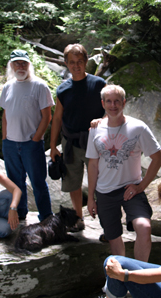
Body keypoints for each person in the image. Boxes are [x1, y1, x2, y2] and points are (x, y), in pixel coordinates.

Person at [86, 84, 161, 262]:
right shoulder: (95, 129)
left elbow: (158, 158)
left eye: (117, 101)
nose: (113, 105)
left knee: (144, 227)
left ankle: (139, 275)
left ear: (124, 102)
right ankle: (122, 277)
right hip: (105, 191)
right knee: (113, 237)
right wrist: (91, 197)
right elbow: (92, 164)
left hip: (131, 188)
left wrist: (141, 186)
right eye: (109, 101)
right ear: (103, 103)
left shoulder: (138, 128)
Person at [50, 43, 106, 231]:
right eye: (72, 62)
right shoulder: (63, 89)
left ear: (86, 61)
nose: (76, 66)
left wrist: (101, 119)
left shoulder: (99, 84)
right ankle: (78, 218)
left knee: (99, 182)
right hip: (70, 143)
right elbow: (57, 118)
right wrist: (52, 146)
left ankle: (104, 219)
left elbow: (111, 109)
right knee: (73, 182)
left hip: (94, 142)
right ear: (66, 63)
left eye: (80, 62)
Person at [0, 49, 54, 221]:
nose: (20, 66)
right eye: (17, 63)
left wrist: (36, 138)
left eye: (24, 63)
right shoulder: (8, 86)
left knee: (38, 182)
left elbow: (47, 116)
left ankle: (46, 217)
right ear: (11, 66)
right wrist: (4, 138)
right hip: (10, 144)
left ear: (29, 65)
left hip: (31, 144)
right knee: (15, 182)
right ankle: (20, 214)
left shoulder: (40, 86)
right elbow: (5, 115)